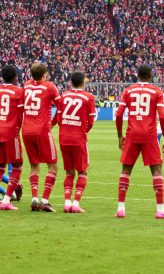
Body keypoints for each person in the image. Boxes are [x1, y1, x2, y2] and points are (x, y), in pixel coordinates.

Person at [115, 64, 164, 219]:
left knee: (126, 169)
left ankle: (121, 208)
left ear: (137, 75)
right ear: (150, 75)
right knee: (156, 169)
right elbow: (162, 116)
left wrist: (120, 135)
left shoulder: (128, 90)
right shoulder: (156, 91)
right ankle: (160, 210)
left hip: (132, 134)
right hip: (149, 135)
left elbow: (119, 114)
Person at [22, 63, 60, 212]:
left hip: (26, 131)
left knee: (34, 165)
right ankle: (44, 200)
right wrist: (53, 123)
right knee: (53, 166)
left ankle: (34, 198)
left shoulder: (26, 85)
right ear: (45, 75)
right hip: (42, 130)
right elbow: (61, 105)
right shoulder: (50, 86)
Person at [57, 71, 96, 213]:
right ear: (83, 83)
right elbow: (91, 121)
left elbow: (59, 119)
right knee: (83, 171)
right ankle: (76, 203)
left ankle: (67, 202)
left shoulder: (64, 95)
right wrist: (83, 131)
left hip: (64, 137)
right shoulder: (89, 97)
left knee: (69, 172)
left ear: (71, 82)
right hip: (78, 137)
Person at [0, 65, 24, 210]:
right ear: (15, 77)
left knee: (1, 166)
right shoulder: (18, 92)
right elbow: (20, 116)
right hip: (11, 132)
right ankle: (6, 200)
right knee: (17, 166)